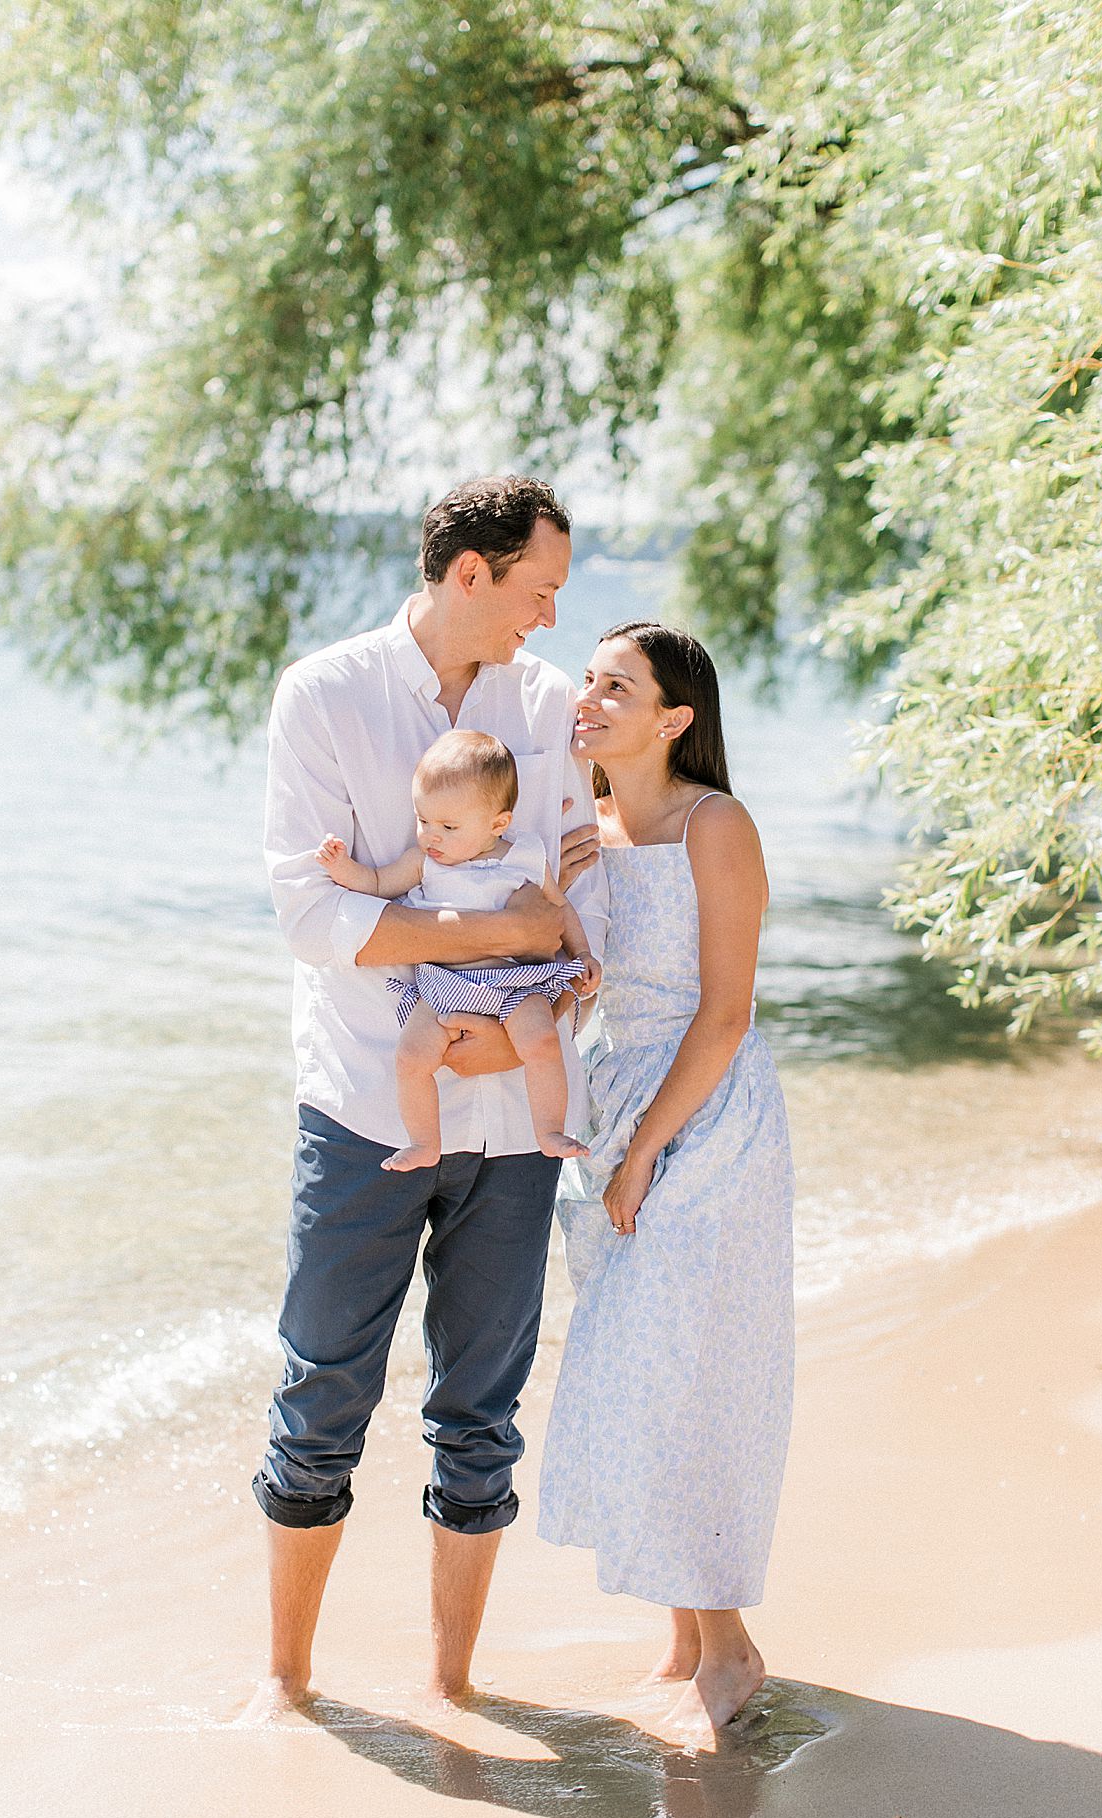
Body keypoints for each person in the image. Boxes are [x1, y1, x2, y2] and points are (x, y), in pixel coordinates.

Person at [242, 475, 608, 1723]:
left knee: (482, 1405)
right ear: (471, 573)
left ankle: (450, 1680)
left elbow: (570, 904)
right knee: (321, 1388)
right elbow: (310, 912)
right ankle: (285, 1681)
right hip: (365, 1106)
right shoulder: (326, 694)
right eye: (538, 588)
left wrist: (520, 1024)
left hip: (515, 1123)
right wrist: (486, 922)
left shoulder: (548, 707)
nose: (551, 617)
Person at [538, 620, 794, 1750]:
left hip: (707, 1118)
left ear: (672, 718)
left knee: (678, 1371)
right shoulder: (583, 832)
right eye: (585, 681)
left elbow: (725, 1010)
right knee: (636, 1371)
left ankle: (727, 1643)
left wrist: (643, 1147)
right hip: (612, 1106)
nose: (585, 699)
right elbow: (574, 989)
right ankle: (687, 1639)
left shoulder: (715, 824)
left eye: (613, 686)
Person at [314, 730, 601, 1171]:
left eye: (449, 827)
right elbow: (376, 885)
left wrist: (582, 956)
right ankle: (423, 1143)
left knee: (542, 1041)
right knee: (412, 1058)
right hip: (443, 985)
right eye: (423, 820)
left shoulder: (524, 856)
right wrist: (342, 867)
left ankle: (548, 1130)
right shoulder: (422, 861)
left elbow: (559, 910)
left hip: (512, 981)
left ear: (497, 824)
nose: (432, 836)